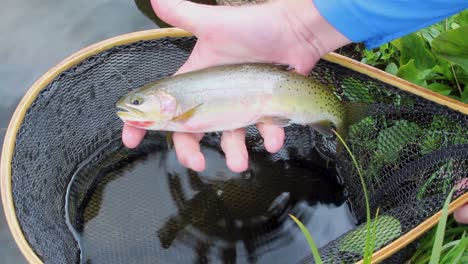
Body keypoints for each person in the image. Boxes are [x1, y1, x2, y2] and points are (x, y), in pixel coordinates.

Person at [122, 0, 468, 223]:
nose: (131, 108)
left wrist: (303, 26)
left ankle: (342, 115)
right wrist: (301, 26)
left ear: (165, 99)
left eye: (138, 102)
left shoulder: (179, 108)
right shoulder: (177, 106)